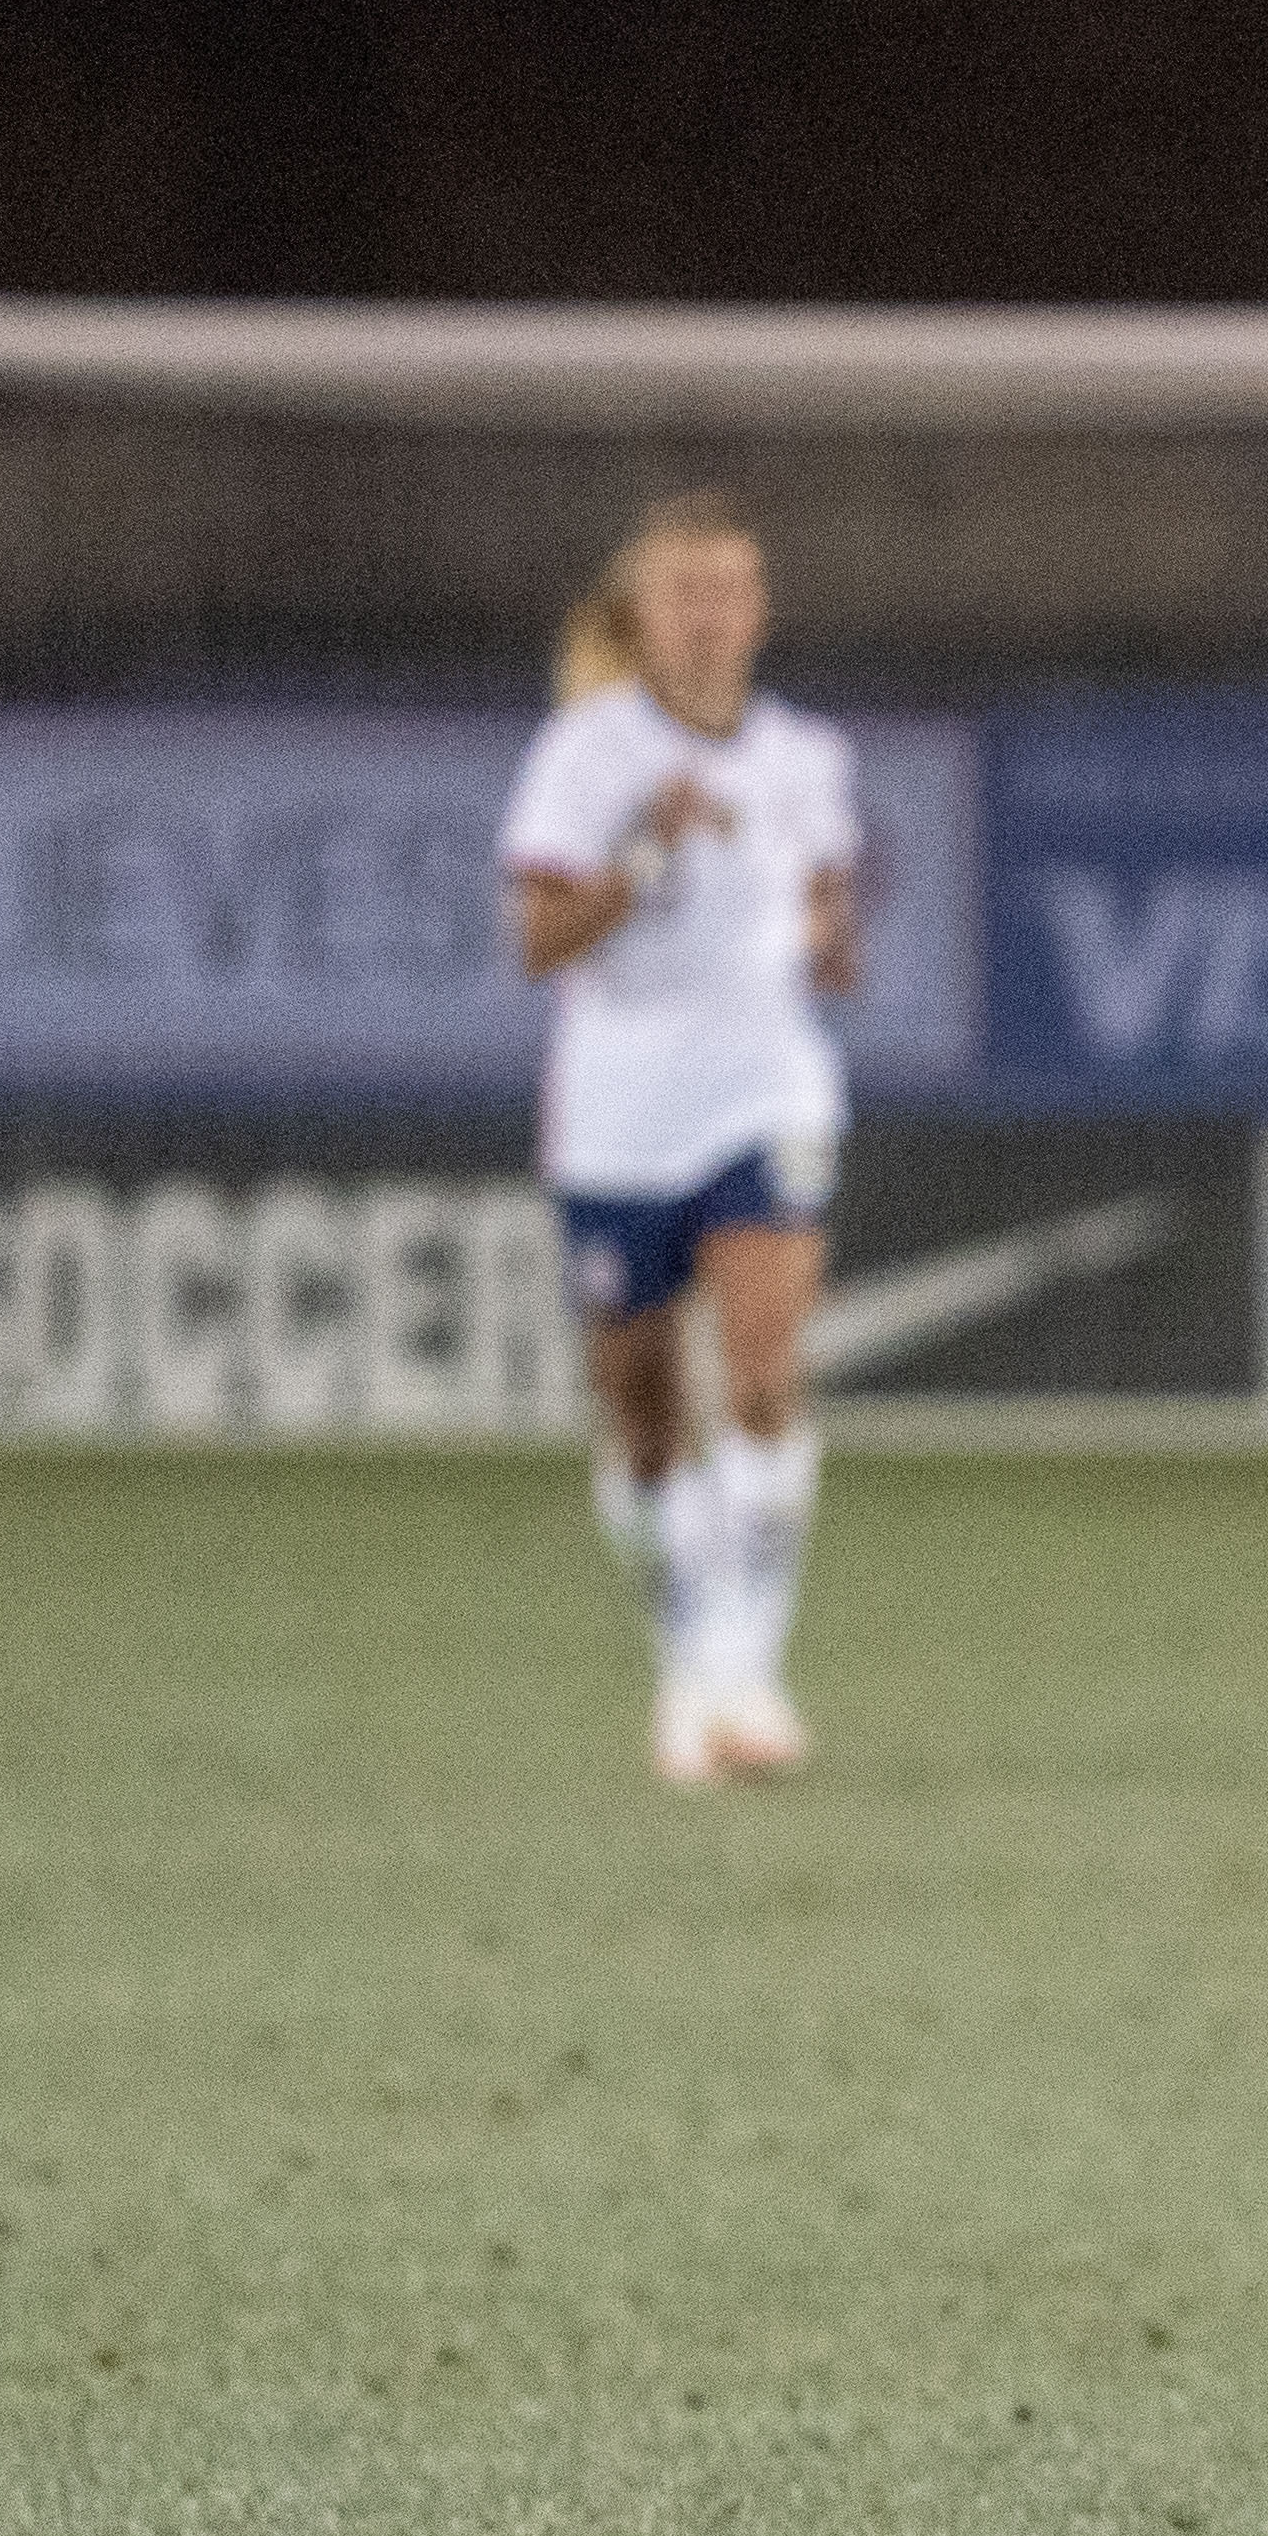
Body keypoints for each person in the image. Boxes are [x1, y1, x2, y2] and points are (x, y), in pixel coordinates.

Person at [497, 493, 862, 1787]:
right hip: (617, 1111)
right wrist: (650, 857)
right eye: (684, 594)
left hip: (765, 1092)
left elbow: (836, 946)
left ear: (759, 612)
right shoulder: (586, 758)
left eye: (731, 591)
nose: (709, 617)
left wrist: (827, 927)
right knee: (645, 1421)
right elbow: (535, 942)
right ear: (641, 615)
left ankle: (746, 1670)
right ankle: (685, 1663)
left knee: (761, 1372)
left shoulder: (808, 759)